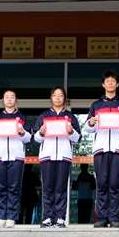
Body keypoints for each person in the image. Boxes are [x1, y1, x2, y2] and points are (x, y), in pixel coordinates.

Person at [82, 71, 119, 228]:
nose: (110, 83)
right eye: (107, 81)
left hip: (117, 149)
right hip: (101, 149)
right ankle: (101, 218)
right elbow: (88, 128)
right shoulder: (96, 105)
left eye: (113, 81)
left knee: (115, 184)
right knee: (102, 183)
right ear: (103, 84)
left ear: (117, 84)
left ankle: (114, 218)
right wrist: (91, 122)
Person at [33, 86, 81, 228]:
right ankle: (47, 217)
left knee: (61, 187)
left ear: (64, 98)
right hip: (47, 155)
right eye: (55, 95)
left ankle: (60, 218)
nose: (58, 98)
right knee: (47, 187)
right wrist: (41, 133)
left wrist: (71, 131)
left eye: (60, 95)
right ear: (51, 98)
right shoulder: (43, 116)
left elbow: (77, 138)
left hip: (64, 156)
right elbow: (35, 138)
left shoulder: (70, 117)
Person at [0, 89, 31, 228]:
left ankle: (11, 217)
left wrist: (22, 132)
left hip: (16, 156)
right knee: (0, 187)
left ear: (16, 100)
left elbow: (29, 138)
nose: (9, 99)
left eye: (12, 97)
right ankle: (1, 217)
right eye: (7, 97)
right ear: (3, 100)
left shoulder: (21, 117)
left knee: (14, 187)